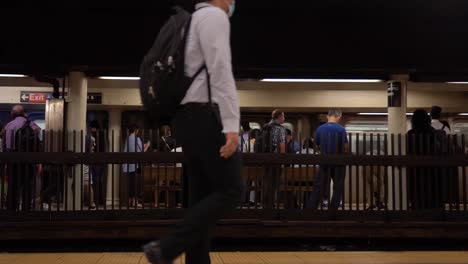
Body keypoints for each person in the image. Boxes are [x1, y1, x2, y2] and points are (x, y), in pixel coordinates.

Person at [143, 1, 242, 263]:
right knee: (232, 190)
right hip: (206, 117)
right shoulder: (213, 16)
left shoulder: (191, 21)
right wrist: (232, 126)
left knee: (201, 199)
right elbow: (220, 70)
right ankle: (166, 248)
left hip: (185, 119)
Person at [308, 109, 348, 210]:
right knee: (337, 186)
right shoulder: (341, 129)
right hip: (338, 162)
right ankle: (333, 208)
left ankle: (312, 208)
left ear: (327, 116)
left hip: (324, 161)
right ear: (339, 117)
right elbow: (346, 147)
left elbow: (315, 146)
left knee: (319, 186)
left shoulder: (320, 129)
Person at [4, 105, 41, 211]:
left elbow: (8, 147)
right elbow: (38, 135)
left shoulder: (10, 125)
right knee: (28, 187)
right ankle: (26, 210)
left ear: (14, 113)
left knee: (13, 187)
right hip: (29, 161)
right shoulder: (32, 124)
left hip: (14, 161)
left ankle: (12, 210)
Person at [407, 109, 442, 210]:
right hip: (432, 168)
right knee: (431, 188)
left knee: (416, 189)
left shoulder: (411, 133)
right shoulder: (433, 132)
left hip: (415, 169)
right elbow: (438, 149)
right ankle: (432, 208)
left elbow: (408, 150)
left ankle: (417, 207)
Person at [261, 109, 287, 209]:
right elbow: (282, 146)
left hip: (264, 158)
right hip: (275, 159)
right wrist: (283, 158)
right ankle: (270, 205)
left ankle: (264, 203)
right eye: (283, 116)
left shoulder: (265, 127)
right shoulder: (280, 129)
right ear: (279, 117)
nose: (284, 118)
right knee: (274, 182)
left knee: (266, 181)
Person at [123, 124, 149, 208]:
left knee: (130, 183)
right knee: (135, 183)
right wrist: (147, 145)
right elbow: (141, 152)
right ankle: (134, 202)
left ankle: (130, 201)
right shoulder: (136, 139)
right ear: (136, 130)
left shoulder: (127, 138)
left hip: (128, 164)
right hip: (135, 164)